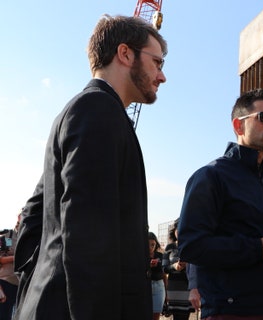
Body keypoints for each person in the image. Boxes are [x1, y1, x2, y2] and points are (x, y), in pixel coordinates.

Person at [12, 15, 167, 320]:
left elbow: (32, 216)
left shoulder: (85, 110)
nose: (162, 76)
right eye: (157, 63)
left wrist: (41, 278)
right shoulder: (98, 110)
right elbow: (88, 238)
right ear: (125, 54)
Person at [178, 88, 263, 320]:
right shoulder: (210, 177)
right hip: (230, 311)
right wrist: (259, 248)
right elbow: (191, 247)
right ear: (238, 125)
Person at [163, 219, 194, 320]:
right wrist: (175, 266)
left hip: (188, 288)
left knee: (185, 317)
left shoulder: (192, 245)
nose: (181, 231)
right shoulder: (169, 247)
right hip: (174, 288)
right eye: (178, 228)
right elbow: (164, 269)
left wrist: (188, 265)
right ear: (174, 230)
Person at [0, 217, 19, 320]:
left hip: (23, 285)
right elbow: (1, 258)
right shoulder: (9, 236)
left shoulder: (34, 237)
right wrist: (18, 257)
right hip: (6, 282)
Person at [149, 232, 167, 320]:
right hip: (145, 287)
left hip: (159, 287)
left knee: (156, 316)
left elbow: (164, 275)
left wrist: (167, 293)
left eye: (153, 245)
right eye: (148, 244)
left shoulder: (160, 256)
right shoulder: (140, 256)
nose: (150, 247)